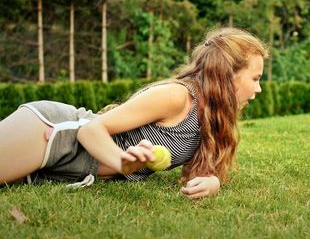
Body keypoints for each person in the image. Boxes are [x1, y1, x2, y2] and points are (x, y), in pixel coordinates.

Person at [0, 27, 268, 200]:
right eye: (255, 78)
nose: (258, 89)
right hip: (52, 132)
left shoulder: (209, 116)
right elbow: (90, 130)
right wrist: (122, 163)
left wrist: (211, 182)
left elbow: (199, 171)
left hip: (66, 166)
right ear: (227, 76)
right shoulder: (177, 96)